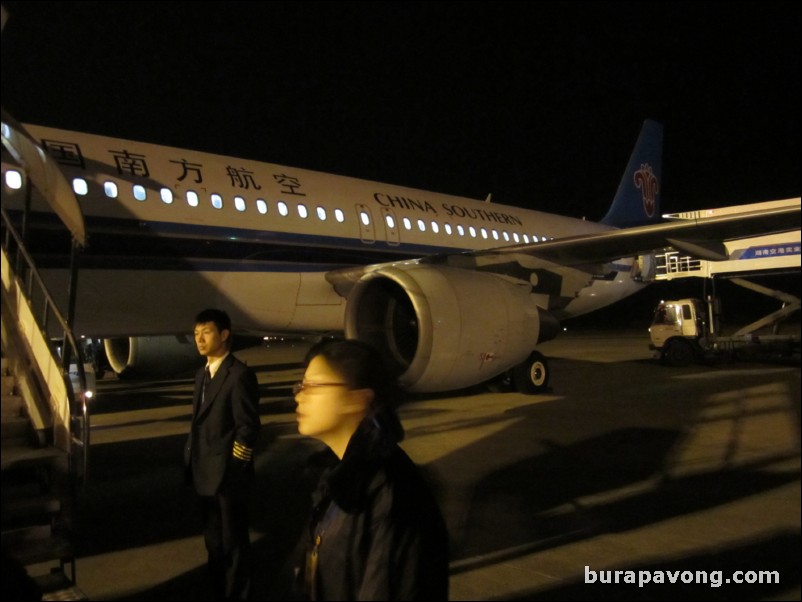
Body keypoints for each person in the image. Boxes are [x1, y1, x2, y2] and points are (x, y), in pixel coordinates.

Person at [291, 338, 449, 600]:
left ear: (357, 399)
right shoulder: (338, 478)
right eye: (300, 386)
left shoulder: (391, 495)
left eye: (313, 386)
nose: (299, 395)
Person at [184, 309, 261, 601]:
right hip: (203, 475)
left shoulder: (239, 375)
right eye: (196, 333)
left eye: (206, 332)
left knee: (234, 546)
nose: (199, 339)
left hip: (227, 478)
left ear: (224, 335)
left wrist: (235, 469)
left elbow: (248, 427)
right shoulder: (201, 375)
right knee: (213, 544)